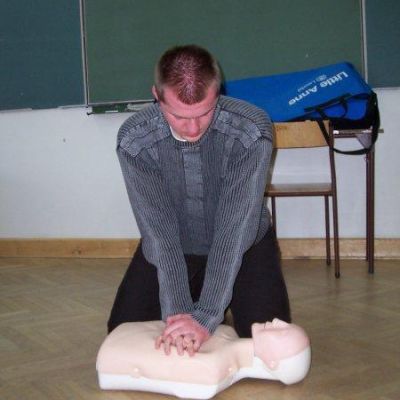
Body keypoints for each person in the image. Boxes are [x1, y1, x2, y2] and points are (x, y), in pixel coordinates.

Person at [108, 44, 291, 355]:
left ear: (218, 92)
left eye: (206, 112)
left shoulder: (250, 131)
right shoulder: (135, 141)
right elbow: (159, 234)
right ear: (156, 96)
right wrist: (178, 313)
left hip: (245, 244)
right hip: (175, 246)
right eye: (178, 115)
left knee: (271, 344)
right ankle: (205, 297)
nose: (193, 128)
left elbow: (234, 231)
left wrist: (205, 317)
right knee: (122, 334)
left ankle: (217, 300)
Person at [97, 318, 311, 398]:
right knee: (124, 316)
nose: (277, 321)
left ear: (272, 363)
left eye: (283, 331)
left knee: (260, 309)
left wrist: (206, 317)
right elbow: (163, 243)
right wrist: (178, 316)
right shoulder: (223, 343)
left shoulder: (212, 365)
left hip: (242, 249)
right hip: (181, 247)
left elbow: (230, 245)